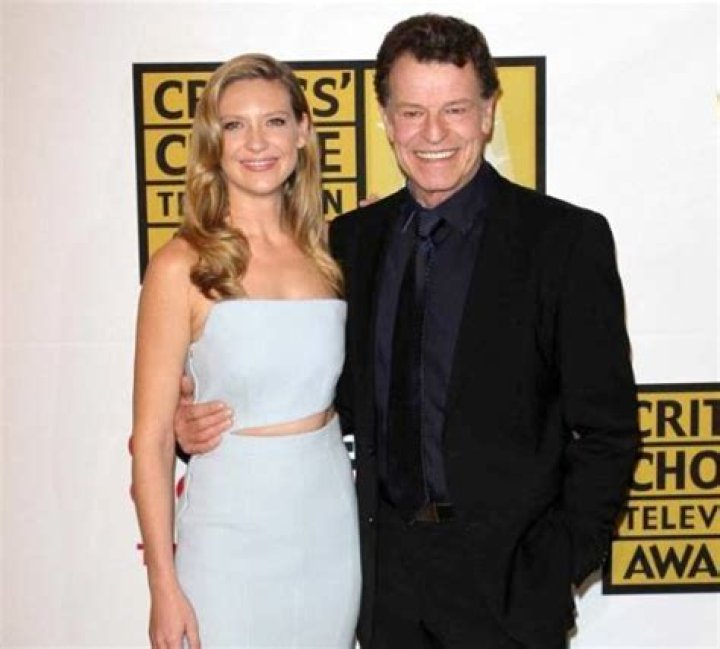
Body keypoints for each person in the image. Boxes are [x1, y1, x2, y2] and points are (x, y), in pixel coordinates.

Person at [175, 14, 640, 649]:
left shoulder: (563, 241)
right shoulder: (349, 242)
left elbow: (609, 432)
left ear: (488, 113)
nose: (433, 133)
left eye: (455, 110)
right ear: (387, 121)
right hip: (378, 582)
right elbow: (312, 386)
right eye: (413, 112)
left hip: (507, 588)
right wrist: (198, 420)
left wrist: (554, 564)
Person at [131, 53, 361, 649]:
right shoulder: (180, 265)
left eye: (275, 121)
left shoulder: (331, 254)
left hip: (329, 526)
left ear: (303, 131)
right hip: (228, 532)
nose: (257, 142)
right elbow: (152, 440)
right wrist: (163, 585)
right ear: (214, 142)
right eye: (235, 125)